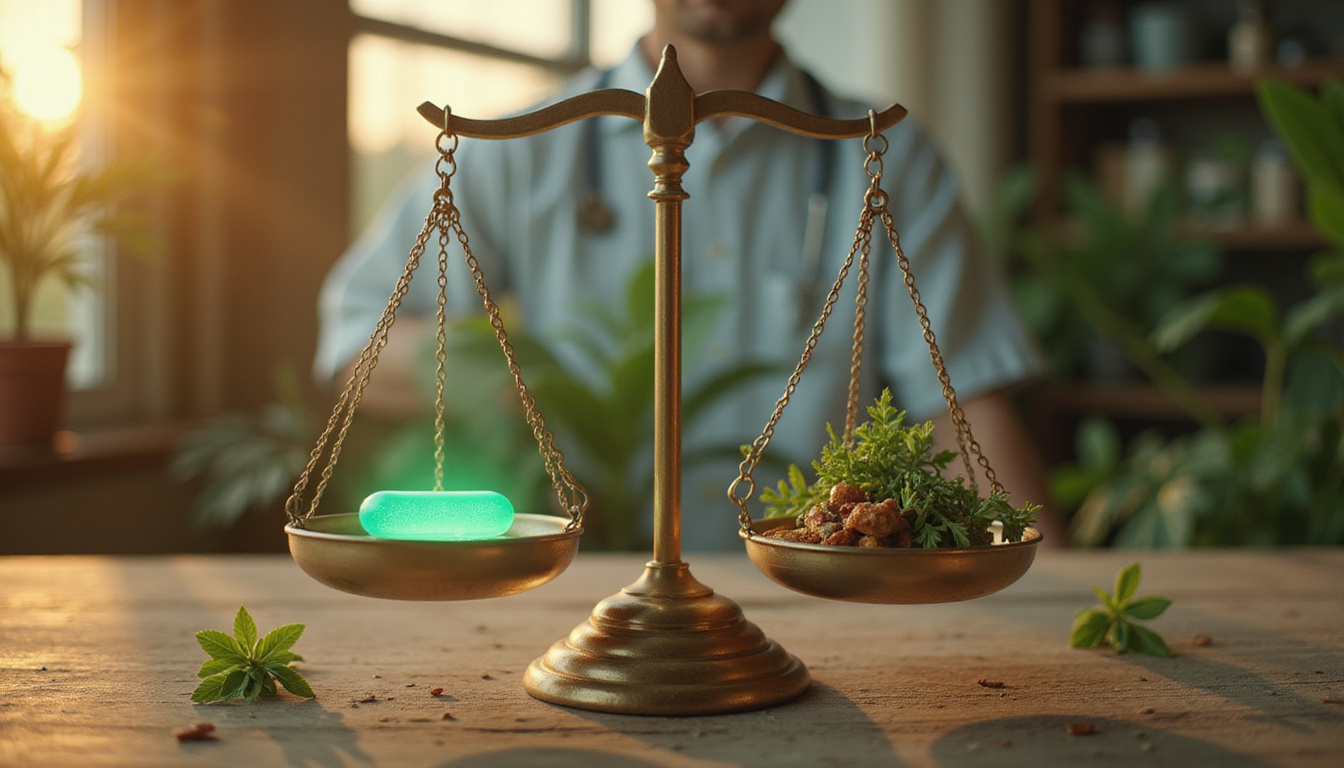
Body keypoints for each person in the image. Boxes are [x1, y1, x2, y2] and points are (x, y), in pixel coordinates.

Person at [316, 0, 1063, 549]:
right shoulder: (522, 149)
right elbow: (358, 341)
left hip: (808, 581)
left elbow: (962, 402)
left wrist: (1053, 593)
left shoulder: (882, 154)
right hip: (585, 580)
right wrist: (519, 388)